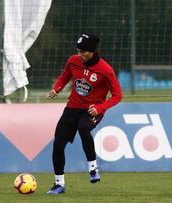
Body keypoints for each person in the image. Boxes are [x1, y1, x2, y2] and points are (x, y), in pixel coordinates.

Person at [46, 32, 122, 194]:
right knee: (58, 144)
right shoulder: (73, 61)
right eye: (78, 51)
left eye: (83, 52)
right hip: (72, 108)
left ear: (92, 51)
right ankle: (59, 184)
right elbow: (63, 78)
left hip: (92, 110)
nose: (79, 55)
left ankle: (93, 168)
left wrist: (100, 108)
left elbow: (117, 95)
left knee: (83, 128)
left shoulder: (105, 70)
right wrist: (56, 89)